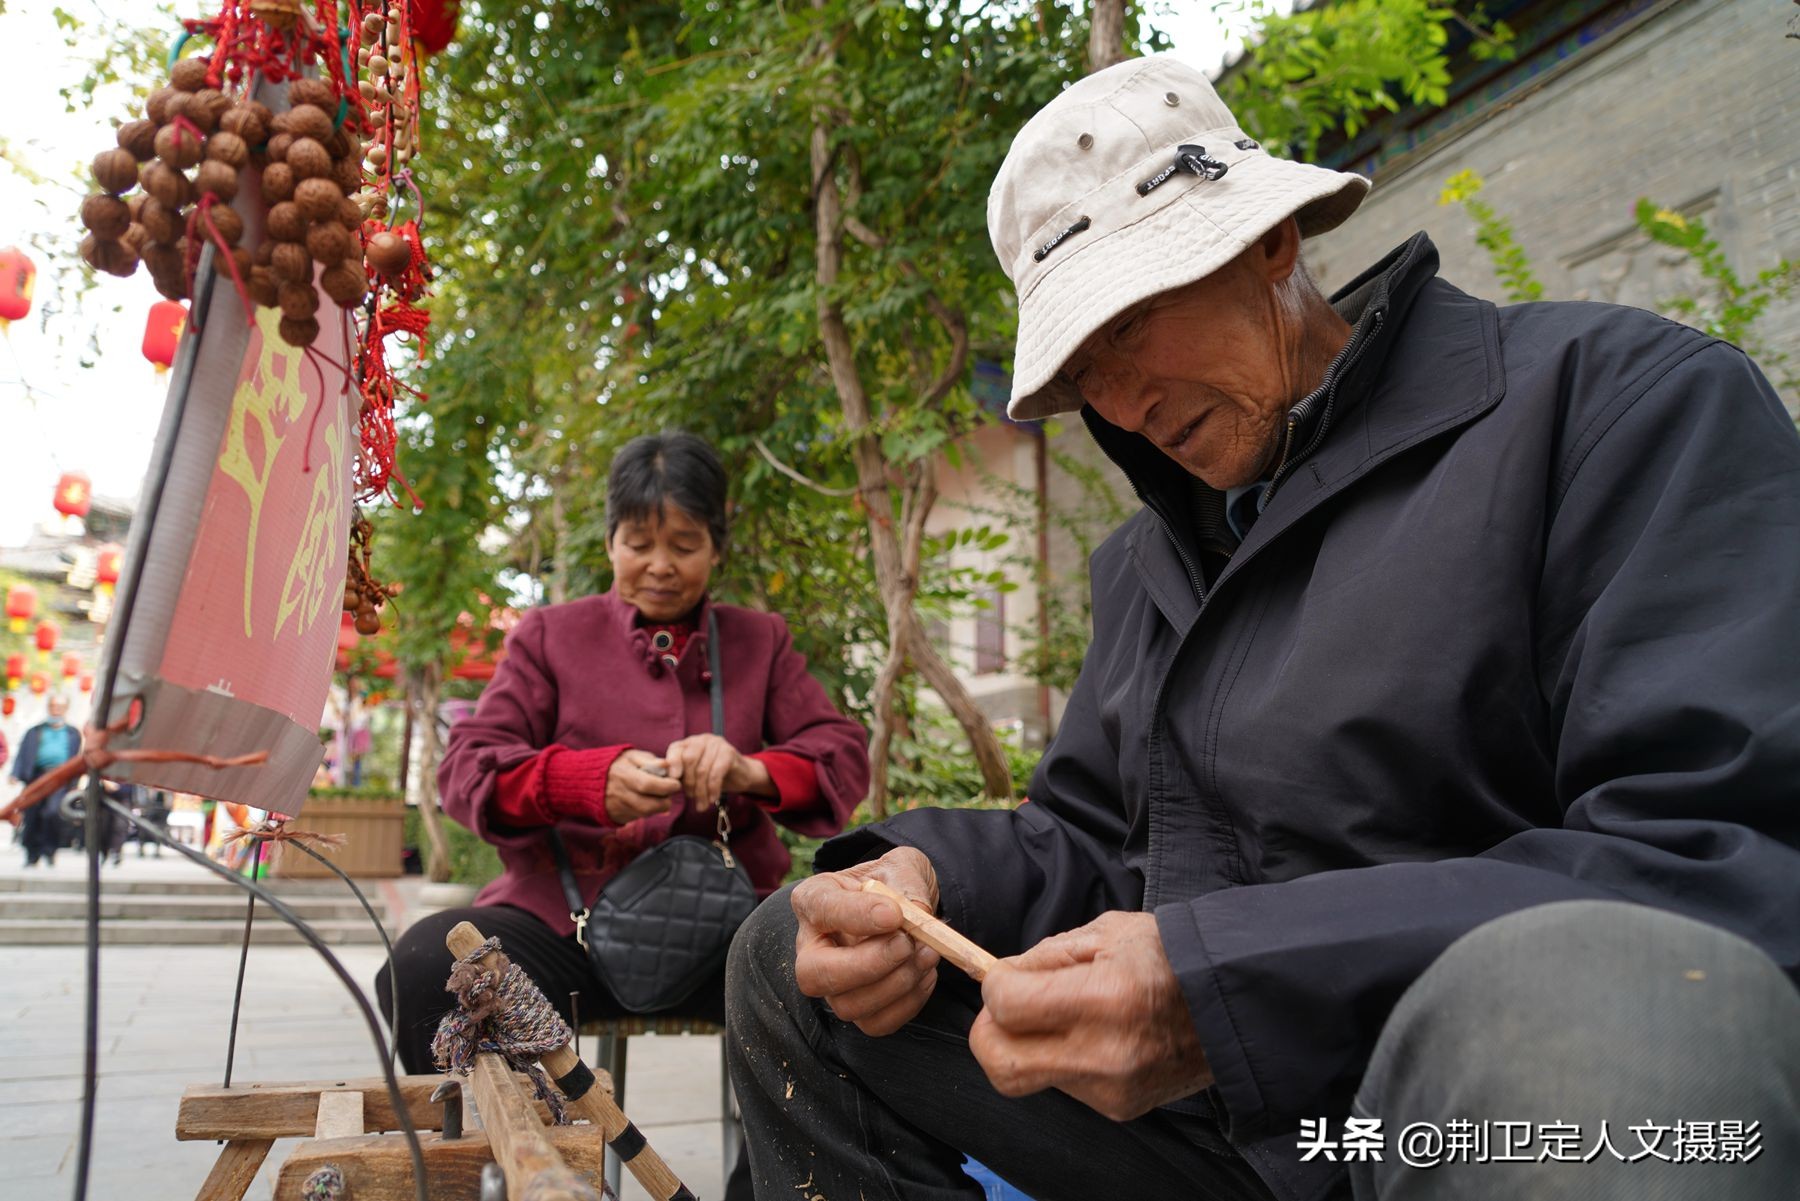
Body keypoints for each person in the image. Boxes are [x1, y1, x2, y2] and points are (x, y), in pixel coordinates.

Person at [726, 55, 1800, 1201]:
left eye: (1133, 323)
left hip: (1445, 1124)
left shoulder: (1612, 409)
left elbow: (1728, 855)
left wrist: (1227, 982)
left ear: (1269, 242)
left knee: (1606, 1001)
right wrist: (917, 878)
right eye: (1084, 368)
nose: (1124, 403)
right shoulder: (1146, 565)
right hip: (1214, 1135)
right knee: (795, 960)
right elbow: (1091, 841)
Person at [379, 432, 868, 1196]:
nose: (661, 564)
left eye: (685, 543)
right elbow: (466, 770)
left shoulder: (758, 641)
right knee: (425, 968)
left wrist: (750, 769)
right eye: (639, 542)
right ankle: (527, 1175)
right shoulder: (547, 637)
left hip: (724, 938)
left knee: (843, 974)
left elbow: (840, 758)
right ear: (610, 540)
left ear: (717, 546)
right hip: (561, 933)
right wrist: (580, 782)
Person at [12, 696, 82, 868]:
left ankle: (49, 850)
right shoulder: (35, 731)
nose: (55, 710)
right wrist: (16, 773)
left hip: (59, 778)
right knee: (32, 814)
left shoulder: (72, 733)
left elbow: (78, 759)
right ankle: (31, 853)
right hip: (37, 776)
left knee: (52, 813)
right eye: (52, 706)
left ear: (65, 709)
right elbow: (23, 753)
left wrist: (74, 783)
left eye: (59, 707)